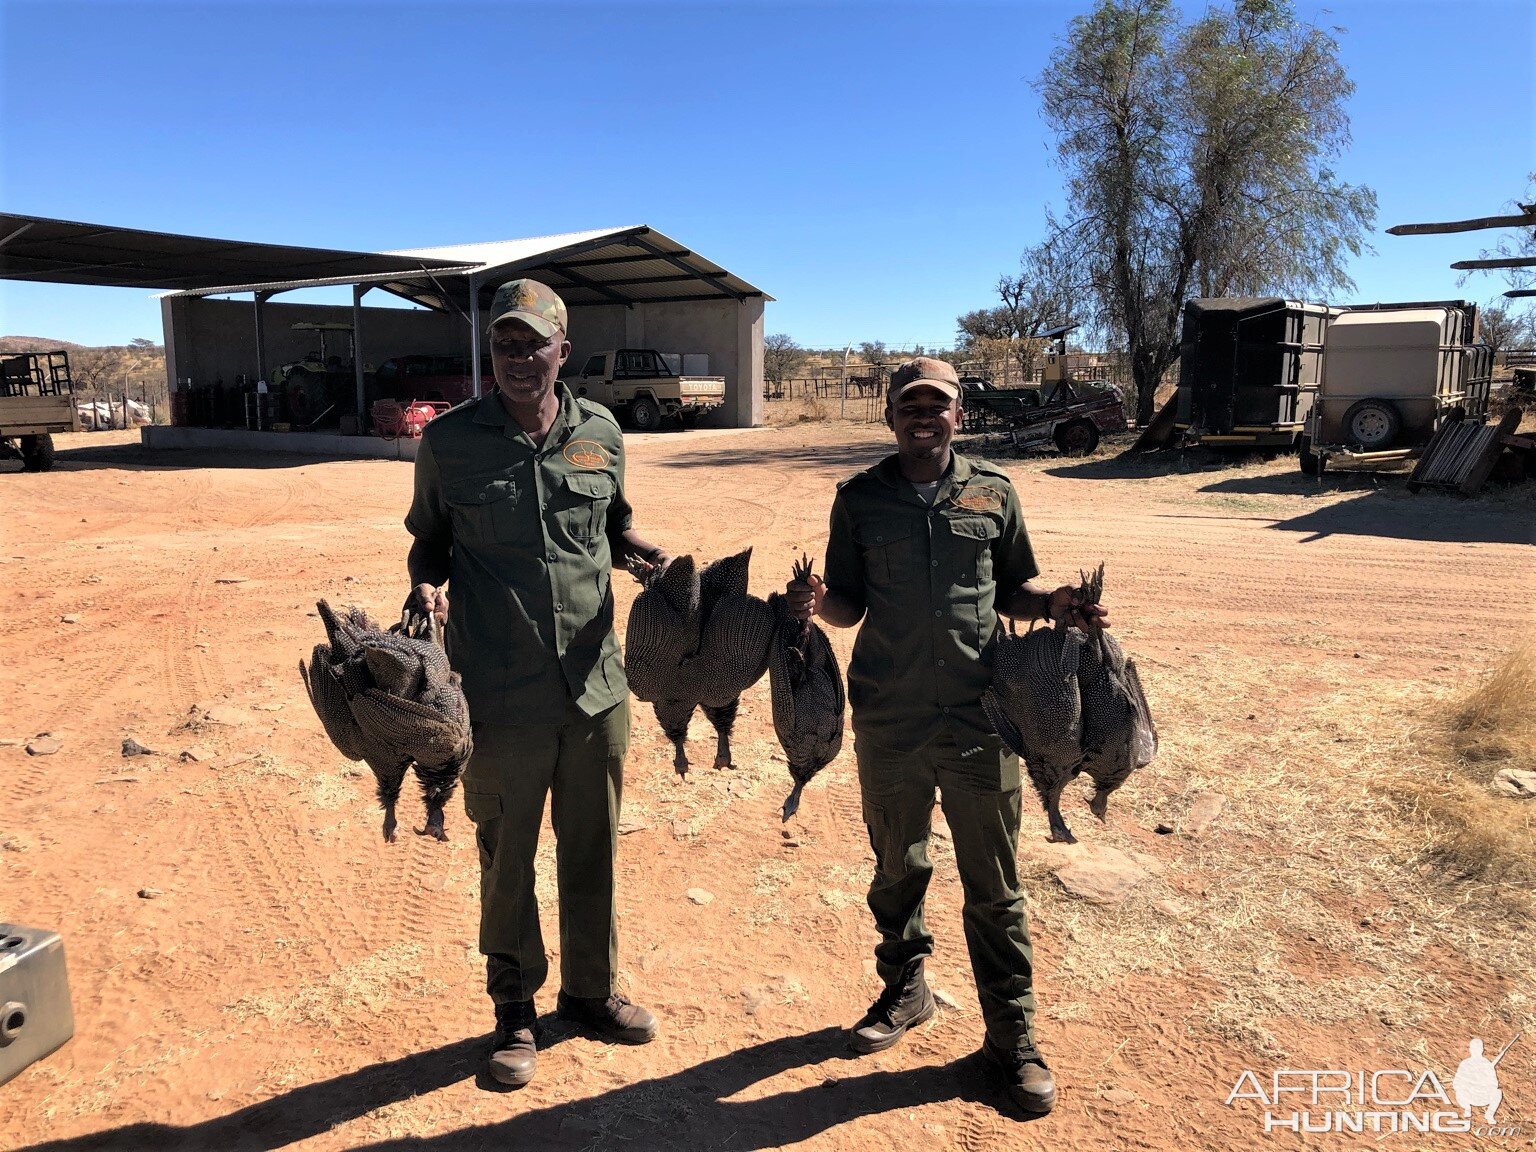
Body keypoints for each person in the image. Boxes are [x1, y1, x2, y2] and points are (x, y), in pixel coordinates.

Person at [785, 356, 1106, 1116]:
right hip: (890, 718)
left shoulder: (994, 491)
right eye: (909, 406)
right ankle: (905, 991)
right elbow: (848, 610)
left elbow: (1013, 589)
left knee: (995, 889)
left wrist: (1056, 602)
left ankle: (1012, 1038)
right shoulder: (858, 500)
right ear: (890, 415)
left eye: (938, 405)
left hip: (982, 718)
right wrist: (817, 604)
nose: (923, 417)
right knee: (897, 867)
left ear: (959, 414)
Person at [405, 278, 670, 1088]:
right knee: (506, 857)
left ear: (564, 348)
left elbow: (615, 526)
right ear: (494, 355)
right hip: (500, 691)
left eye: (534, 344)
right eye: (505, 346)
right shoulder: (449, 443)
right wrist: (426, 585)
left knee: (592, 849)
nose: (520, 360)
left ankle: (590, 994)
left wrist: (647, 559)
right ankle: (515, 1010)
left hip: (596, 688)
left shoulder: (602, 433)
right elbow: (428, 543)